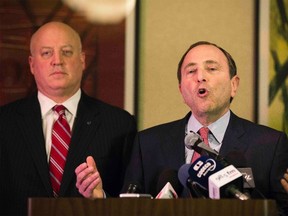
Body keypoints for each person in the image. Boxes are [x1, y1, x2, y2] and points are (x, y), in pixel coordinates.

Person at [122, 41, 288, 215]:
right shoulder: (147, 143)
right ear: (181, 91)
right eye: (191, 71)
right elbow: (128, 208)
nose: (200, 77)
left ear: (234, 85)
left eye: (211, 69)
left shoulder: (270, 145)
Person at [0, 21, 137, 216]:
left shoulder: (119, 124)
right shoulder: (4, 124)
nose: (57, 60)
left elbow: (132, 202)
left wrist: (102, 198)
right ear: (32, 64)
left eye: (66, 52)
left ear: (82, 60)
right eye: (47, 53)